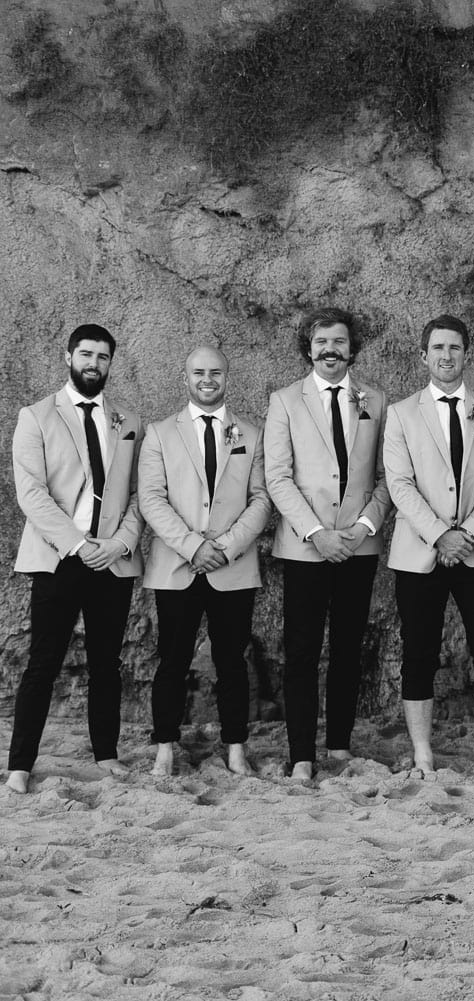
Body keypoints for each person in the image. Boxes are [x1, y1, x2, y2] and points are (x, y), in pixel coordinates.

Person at [6, 324, 143, 794]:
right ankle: (21, 765)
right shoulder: (37, 416)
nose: (94, 364)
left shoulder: (129, 421)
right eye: (86, 354)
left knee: (107, 663)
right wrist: (78, 544)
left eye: (103, 357)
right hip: (59, 557)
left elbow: (142, 495)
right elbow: (31, 494)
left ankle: (106, 754)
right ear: (68, 357)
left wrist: (118, 544)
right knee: (43, 663)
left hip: (111, 560)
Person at [383, 314, 474, 777]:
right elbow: (399, 484)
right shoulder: (401, 414)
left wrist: (468, 536)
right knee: (419, 651)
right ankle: (422, 753)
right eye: (438, 348)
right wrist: (441, 535)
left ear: (467, 354)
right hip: (421, 550)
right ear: (424, 356)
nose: (446, 356)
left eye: (455, 348)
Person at [264, 307, 391, 780]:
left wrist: (362, 528)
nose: (330, 350)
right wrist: (317, 533)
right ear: (309, 348)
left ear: (352, 348)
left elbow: (385, 476)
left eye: (338, 341)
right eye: (321, 343)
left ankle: (338, 744)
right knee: (301, 651)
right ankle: (301, 754)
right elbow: (277, 477)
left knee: (348, 648)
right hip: (305, 548)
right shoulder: (285, 401)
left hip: (358, 545)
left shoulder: (375, 400)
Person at [139, 346, 272, 777]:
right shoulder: (159, 434)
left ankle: (235, 746)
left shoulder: (251, 434)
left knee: (233, 662)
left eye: (215, 372)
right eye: (199, 372)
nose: (207, 379)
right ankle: (164, 747)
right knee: (172, 661)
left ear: (226, 378)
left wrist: (227, 546)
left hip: (232, 567)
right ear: (186, 378)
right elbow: (151, 499)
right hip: (177, 566)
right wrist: (193, 546)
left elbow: (261, 499)